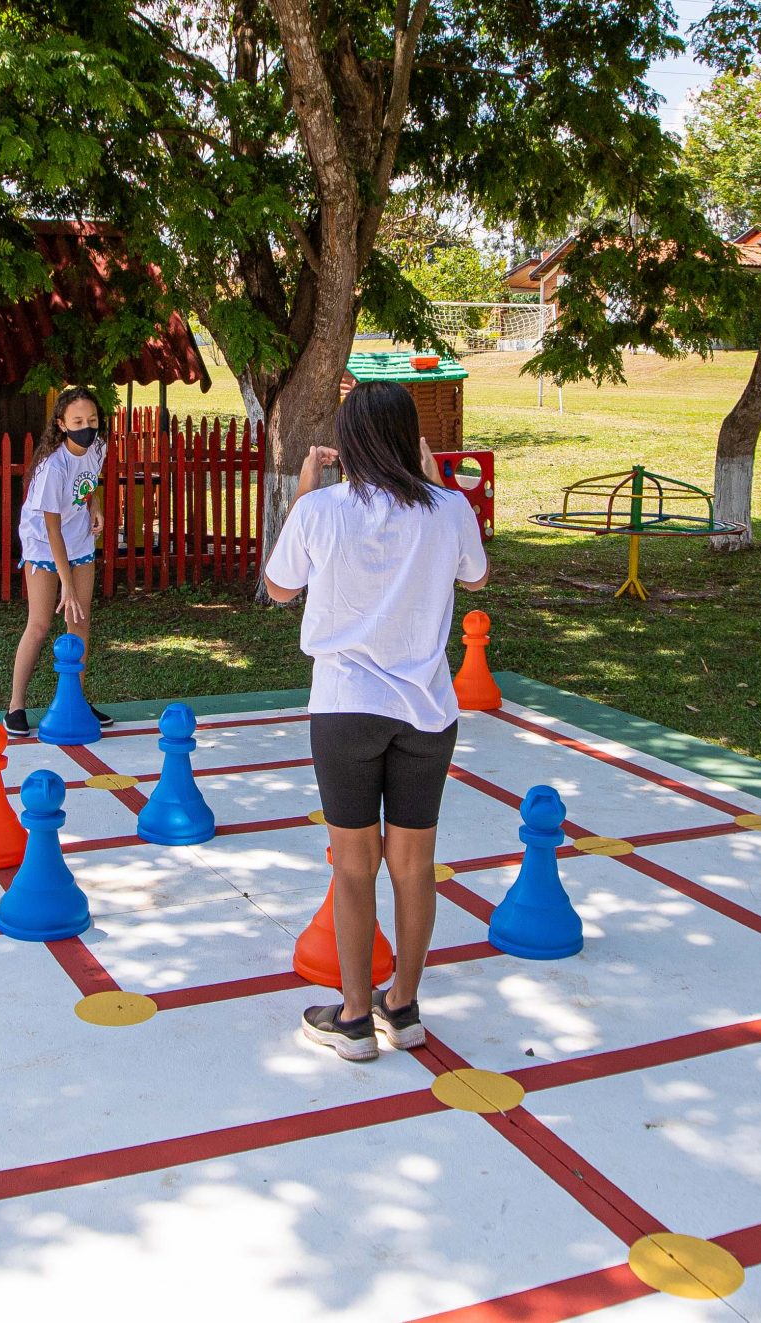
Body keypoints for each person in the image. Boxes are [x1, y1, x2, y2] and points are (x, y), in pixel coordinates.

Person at [262, 380, 488, 1061]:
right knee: (414, 865)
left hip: (344, 707)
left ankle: (355, 1016)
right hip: (427, 711)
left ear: (350, 441)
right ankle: (404, 1006)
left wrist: (306, 487)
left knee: (354, 866)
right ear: (408, 439)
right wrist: (434, 480)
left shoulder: (320, 509)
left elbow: (279, 588)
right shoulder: (449, 508)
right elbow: (476, 578)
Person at [6, 386, 114, 738]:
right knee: (39, 624)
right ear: (62, 425)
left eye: (92, 420)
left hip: (79, 537)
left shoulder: (98, 446)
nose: (87, 427)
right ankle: (15, 706)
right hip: (43, 544)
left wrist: (95, 506)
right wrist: (65, 582)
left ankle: (75, 701)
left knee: (79, 620)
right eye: (78, 421)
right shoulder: (53, 467)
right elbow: (51, 529)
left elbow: (88, 486)